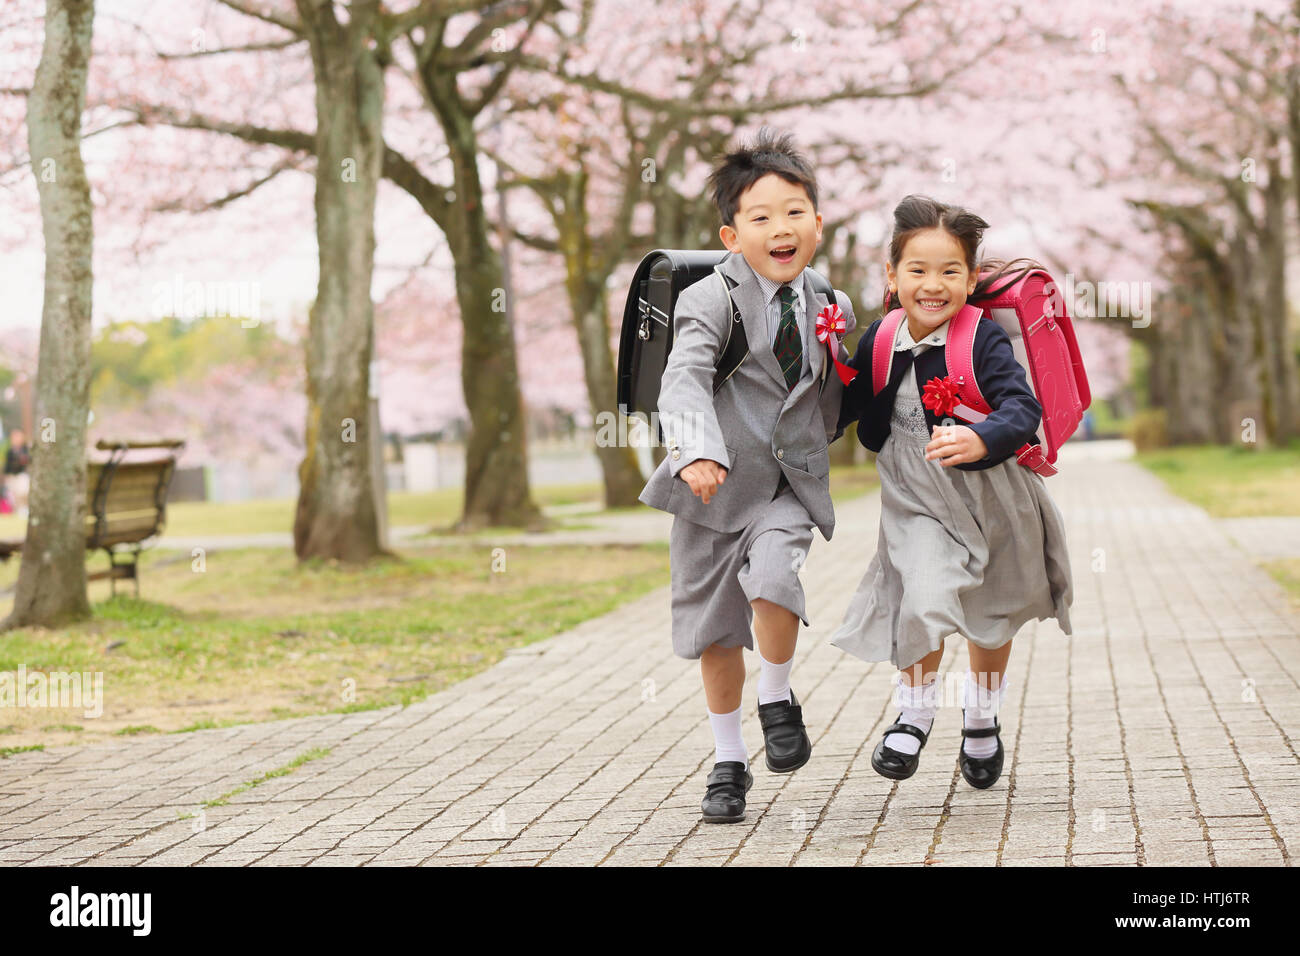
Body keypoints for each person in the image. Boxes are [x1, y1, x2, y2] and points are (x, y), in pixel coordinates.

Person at [638, 128, 858, 822]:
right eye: (760, 218)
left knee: (775, 582)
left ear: (817, 222)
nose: (781, 229)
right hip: (710, 491)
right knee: (718, 635)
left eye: (794, 211)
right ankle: (728, 760)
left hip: (787, 488)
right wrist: (696, 451)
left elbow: (835, 388)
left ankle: (777, 695)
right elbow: (684, 378)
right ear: (733, 236)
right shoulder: (710, 301)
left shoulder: (834, 304)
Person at [832, 195, 1073, 789]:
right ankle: (914, 715)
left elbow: (1022, 407)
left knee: (992, 618)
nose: (932, 285)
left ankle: (982, 716)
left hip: (994, 502)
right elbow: (850, 406)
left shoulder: (981, 341)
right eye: (917, 270)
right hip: (918, 503)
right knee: (922, 592)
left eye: (950, 271)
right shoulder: (882, 338)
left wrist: (981, 437)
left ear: (970, 277)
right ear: (892, 277)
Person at [4, 427, 30, 516]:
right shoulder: (10, 451)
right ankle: (19, 510)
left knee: (23, 491)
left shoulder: (26, 449)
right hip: (12, 476)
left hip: (22, 475)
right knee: (14, 495)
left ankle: (25, 508)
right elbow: (7, 466)